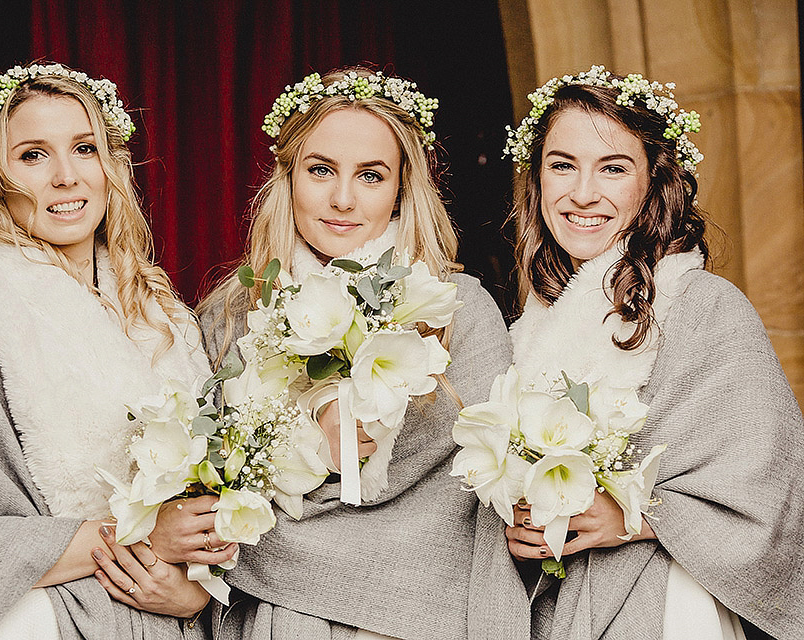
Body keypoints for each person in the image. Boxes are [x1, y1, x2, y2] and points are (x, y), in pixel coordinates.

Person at [0, 62, 236, 639]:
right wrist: (141, 536)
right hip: (38, 621)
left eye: (84, 149)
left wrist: (193, 592)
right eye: (33, 155)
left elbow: (216, 506)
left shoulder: (167, 322)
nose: (66, 177)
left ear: (110, 166)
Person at [474, 66, 804, 639]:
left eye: (613, 169)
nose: (582, 194)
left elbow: (774, 486)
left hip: (666, 600)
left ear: (653, 180)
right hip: (554, 605)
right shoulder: (530, 321)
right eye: (562, 165)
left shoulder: (704, 305)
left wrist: (635, 516)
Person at [183, 67, 510, 639]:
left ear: (403, 188)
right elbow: (207, 483)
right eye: (320, 170)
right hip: (278, 612)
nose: (342, 199)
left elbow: (480, 488)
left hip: (425, 610)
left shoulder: (462, 311)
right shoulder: (230, 314)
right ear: (287, 178)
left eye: (371, 175)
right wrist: (302, 433)